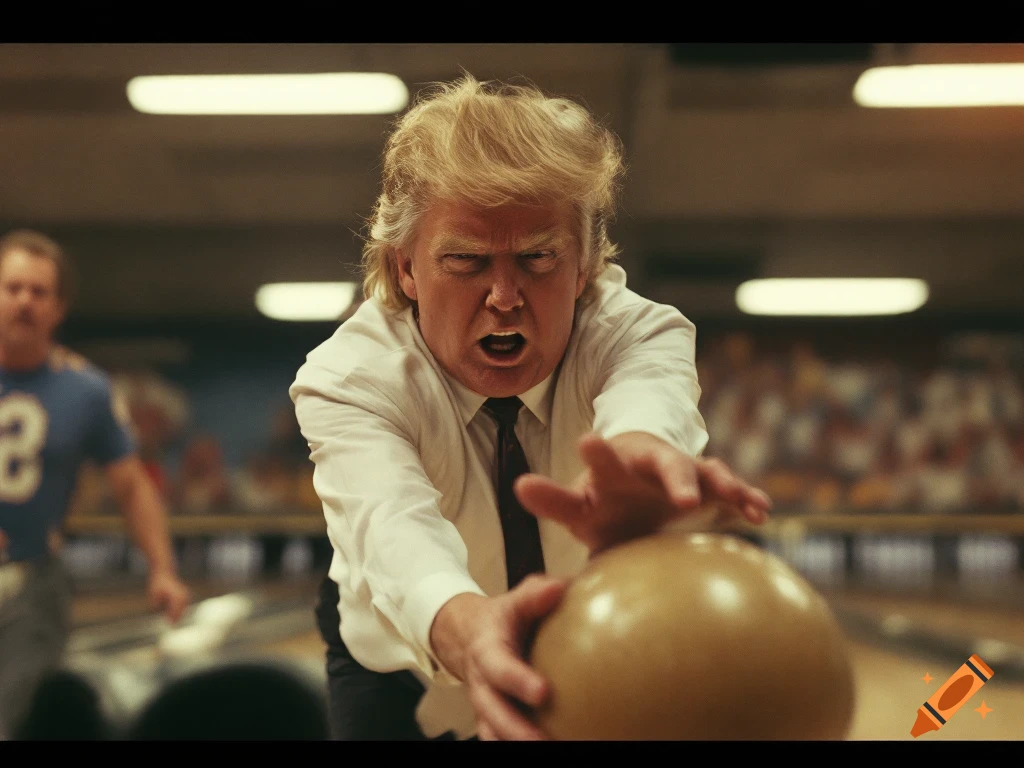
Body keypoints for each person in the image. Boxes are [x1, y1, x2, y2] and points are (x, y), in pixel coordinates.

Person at [290, 75, 773, 742]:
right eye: (466, 261)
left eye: (538, 258)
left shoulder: (637, 333)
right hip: (398, 664)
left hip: (588, 639)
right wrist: (466, 627)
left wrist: (641, 451)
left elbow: (646, 404)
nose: (504, 297)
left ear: (585, 266)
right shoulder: (348, 378)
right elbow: (393, 532)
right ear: (405, 269)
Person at [0, 229, 190, 739]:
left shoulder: (86, 390)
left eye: (38, 292)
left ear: (58, 309)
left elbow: (131, 487)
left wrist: (162, 570)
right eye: (13, 288)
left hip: (31, 583)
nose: (24, 301)